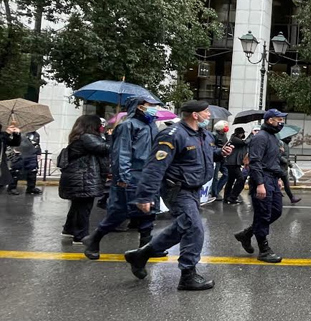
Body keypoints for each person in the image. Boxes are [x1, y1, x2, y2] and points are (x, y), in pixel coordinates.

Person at [122, 100, 233, 290]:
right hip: (177, 189)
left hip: (194, 189)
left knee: (182, 227)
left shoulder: (203, 134)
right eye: (205, 112)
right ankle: (188, 275)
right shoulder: (173, 134)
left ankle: (140, 255)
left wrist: (220, 153)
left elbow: (204, 155)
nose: (209, 115)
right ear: (195, 115)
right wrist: (145, 195)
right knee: (194, 227)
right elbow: (155, 166)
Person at [83, 94, 162, 260]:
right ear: (140, 106)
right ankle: (94, 239)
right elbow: (121, 153)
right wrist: (123, 177)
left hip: (148, 174)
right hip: (132, 174)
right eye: (150, 104)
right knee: (121, 212)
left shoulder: (152, 126)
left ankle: (146, 247)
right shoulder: (127, 125)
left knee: (149, 210)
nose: (155, 108)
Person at [234, 109, 288, 263]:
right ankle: (264, 250)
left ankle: (247, 234)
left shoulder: (273, 137)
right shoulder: (260, 138)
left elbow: (273, 160)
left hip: (272, 178)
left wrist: (277, 178)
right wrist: (260, 184)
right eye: (279, 119)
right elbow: (255, 162)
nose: (281, 123)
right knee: (263, 214)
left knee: (276, 211)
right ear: (270, 120)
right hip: (262, 179)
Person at [59, 115, 110, 243]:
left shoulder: (80, 137)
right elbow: (105, 148)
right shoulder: (87, 137)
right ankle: (81, 236)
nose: (101, 127)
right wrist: (110, 137)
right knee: (84, 207)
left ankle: (69, 230)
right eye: (99, 124)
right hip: (83, 178)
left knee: (77, 205)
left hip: (79, 177)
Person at [7, 130, 42, 195]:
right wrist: (12, 150)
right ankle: (12, 188)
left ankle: (31, 188)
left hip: (31, 154)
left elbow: (37, 144)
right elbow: (10, 143)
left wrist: (38, 153)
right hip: (19, 154)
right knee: (15, 171)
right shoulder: (18, 132)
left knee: (32, 171)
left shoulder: (36, 134)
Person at [223, 127, 248, 205]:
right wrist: (252, 134)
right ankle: (232, 197)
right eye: (241, 133)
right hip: (232, 163)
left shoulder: (235, 139)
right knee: (241, 178)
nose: (242, 135)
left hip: (233, 163)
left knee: (230, 180)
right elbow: (244, 143)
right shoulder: (234, 139)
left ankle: (227, 197)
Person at [209, 120, 230, 201]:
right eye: (225, 126)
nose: (227, 128)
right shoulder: (214, 135)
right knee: (215, 177)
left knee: (226, 174)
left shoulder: (224, 135)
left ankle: (216, 190)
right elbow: (212, 147)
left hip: (222, 158)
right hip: (216, 158)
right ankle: (214, 193)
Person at [278, 140, 302, 205]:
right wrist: (286, 161)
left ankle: (291, 198)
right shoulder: (280, 143)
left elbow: (285, 156)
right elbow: (278, 156)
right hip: (278, 167)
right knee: (279, 183)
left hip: (283, 168)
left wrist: (289, 164)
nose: (290, 138)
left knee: (286, 184)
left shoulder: (285, 144)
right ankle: (278, 196)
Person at [0, 123, 21, 190]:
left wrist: (16, 134)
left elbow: (14, 143)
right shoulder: (3, 135)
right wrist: (7, 133)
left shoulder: (2, 134)